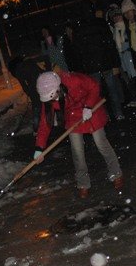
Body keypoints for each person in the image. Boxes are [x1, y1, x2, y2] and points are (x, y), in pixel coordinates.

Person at [33, 70, 123, 199]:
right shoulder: (48, 98)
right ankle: (83, 183)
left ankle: (116, 173)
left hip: (92, 110)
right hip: (73, 117)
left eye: (52, 97)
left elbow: (94, 86)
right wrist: (39, 148)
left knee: (101, 143)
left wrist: (88, 106)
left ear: (58, 88)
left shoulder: (73, 80)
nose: (52, 101)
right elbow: (45, 123)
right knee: (77, 151)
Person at [71, 1, 126, 121]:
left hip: (91, 66)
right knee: (112, 89)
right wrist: (115, 62)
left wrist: (80, 69)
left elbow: (77, 51)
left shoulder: (79, 28)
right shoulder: (100, 24)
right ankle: (118, 113)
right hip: (105, 62)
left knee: (95, 93)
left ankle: (103, 116)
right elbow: (110, 44)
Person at [106, 3, 136, 110]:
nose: (117, 18)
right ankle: (135, 99)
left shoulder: (127, 26)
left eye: (118, 15)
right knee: (128, 80)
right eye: (114, 16)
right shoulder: (114, 30)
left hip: (131, 55)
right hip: (122, 58)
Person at [8, 55, 46, 131]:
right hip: (42, 83)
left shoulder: (18, 72)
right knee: (46, 104)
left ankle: (37, 128)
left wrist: (30, 92)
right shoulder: (29, 62)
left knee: (36, 108)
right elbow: (39, 71)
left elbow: (24, 86)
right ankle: (48, 122)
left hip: (36, 86)